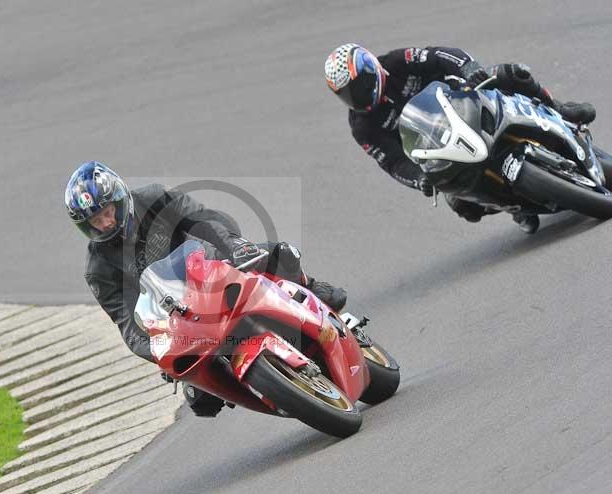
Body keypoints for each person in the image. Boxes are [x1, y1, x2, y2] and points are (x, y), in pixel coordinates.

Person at [64, 161, 347, 416]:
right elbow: (126, 322)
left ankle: (307, 287)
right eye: (95, 221)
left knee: (278, 254)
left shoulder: (154, 198)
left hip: (212, 271)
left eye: (107, 212)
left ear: (118, 199)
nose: (106, 223)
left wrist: (233, 247)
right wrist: (159, 351)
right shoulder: (98, 268)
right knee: (202, 400)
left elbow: (204, 219)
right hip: (181, 319)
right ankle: (271, 387)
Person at [324, 43, 596, 234]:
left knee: (514, 74)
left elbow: (442, 55)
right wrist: (419, 178)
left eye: (358, 86)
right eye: (347, 94)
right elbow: (392, 163)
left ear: (371, 68)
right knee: (462, 205)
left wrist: (469, 69)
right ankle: (515, 205)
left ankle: (560, 109)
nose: (356, 97)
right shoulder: (362, 126)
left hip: (465, 102)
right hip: (443, 149)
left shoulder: (398, 61)